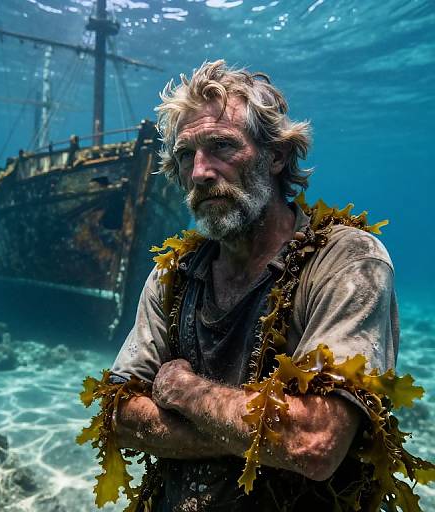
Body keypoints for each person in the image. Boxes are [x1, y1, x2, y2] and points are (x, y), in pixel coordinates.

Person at [109, 60, 399, 511]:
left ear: (277, 154)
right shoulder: (171, 276)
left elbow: (314, 443)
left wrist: (181, 390)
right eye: (186, 155)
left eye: (222, 146)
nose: (201, 171)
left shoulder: (347, 261)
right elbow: (120, 415)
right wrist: (259, 438)